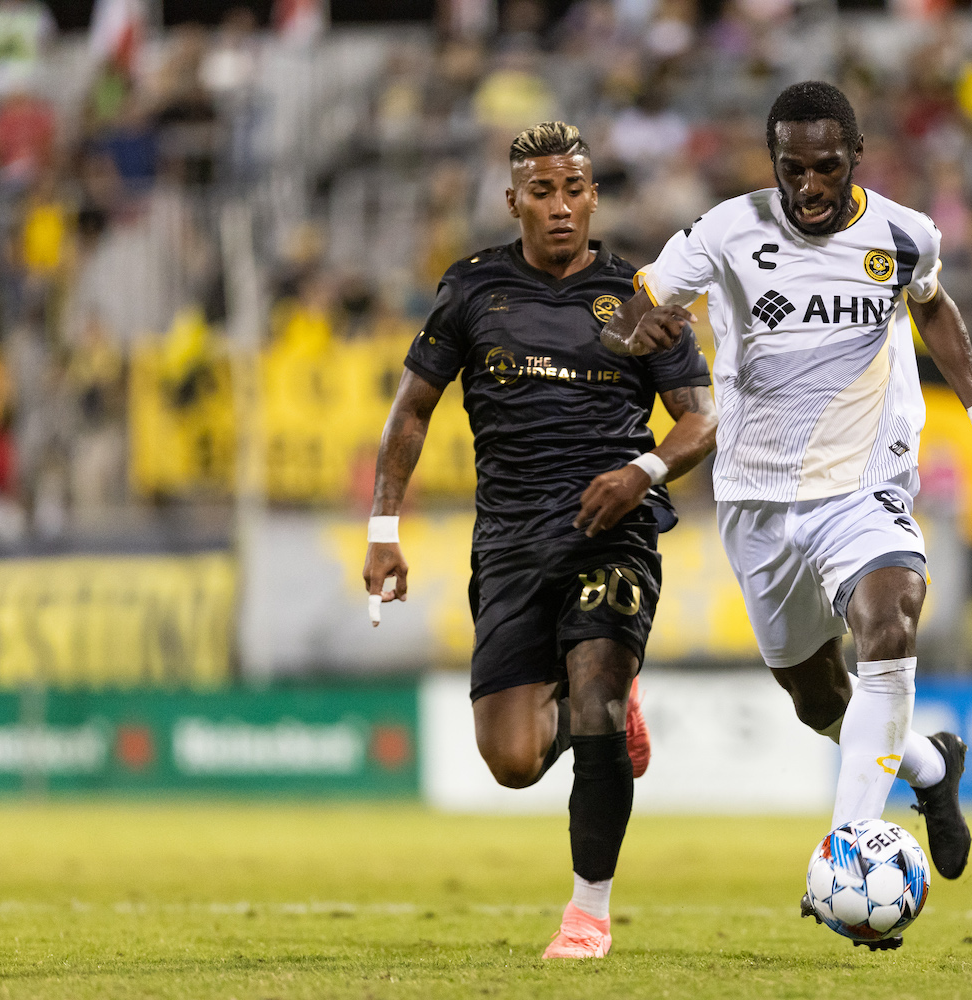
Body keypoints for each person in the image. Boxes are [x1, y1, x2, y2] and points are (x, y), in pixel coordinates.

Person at [602, 82, 972, 947]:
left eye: (825, 167)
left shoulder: (905, 235)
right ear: (773, 163)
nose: (808, 186)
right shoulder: (728, 229)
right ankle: (931, 767)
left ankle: (847, 855)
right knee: (816, 697)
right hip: (758, 499)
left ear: (856, 157)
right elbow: (641, 299)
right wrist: (637, 332)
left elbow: (934, 306)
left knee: (890, 618)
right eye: (791, 168)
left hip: (863, 484)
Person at [362, 122, 717, 960]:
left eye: (576, 190)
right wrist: (384, 528)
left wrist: (641, 474)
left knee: (592, 691)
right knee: (515, 761)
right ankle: (605, 713)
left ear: (594, 196)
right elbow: (411, 409)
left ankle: (586, 915)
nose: (561, 208)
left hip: (612, 531)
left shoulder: (638, 294)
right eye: (544, 192)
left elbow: (701, 419)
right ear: (513, 199)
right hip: (512, 544)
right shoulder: (472, 289)